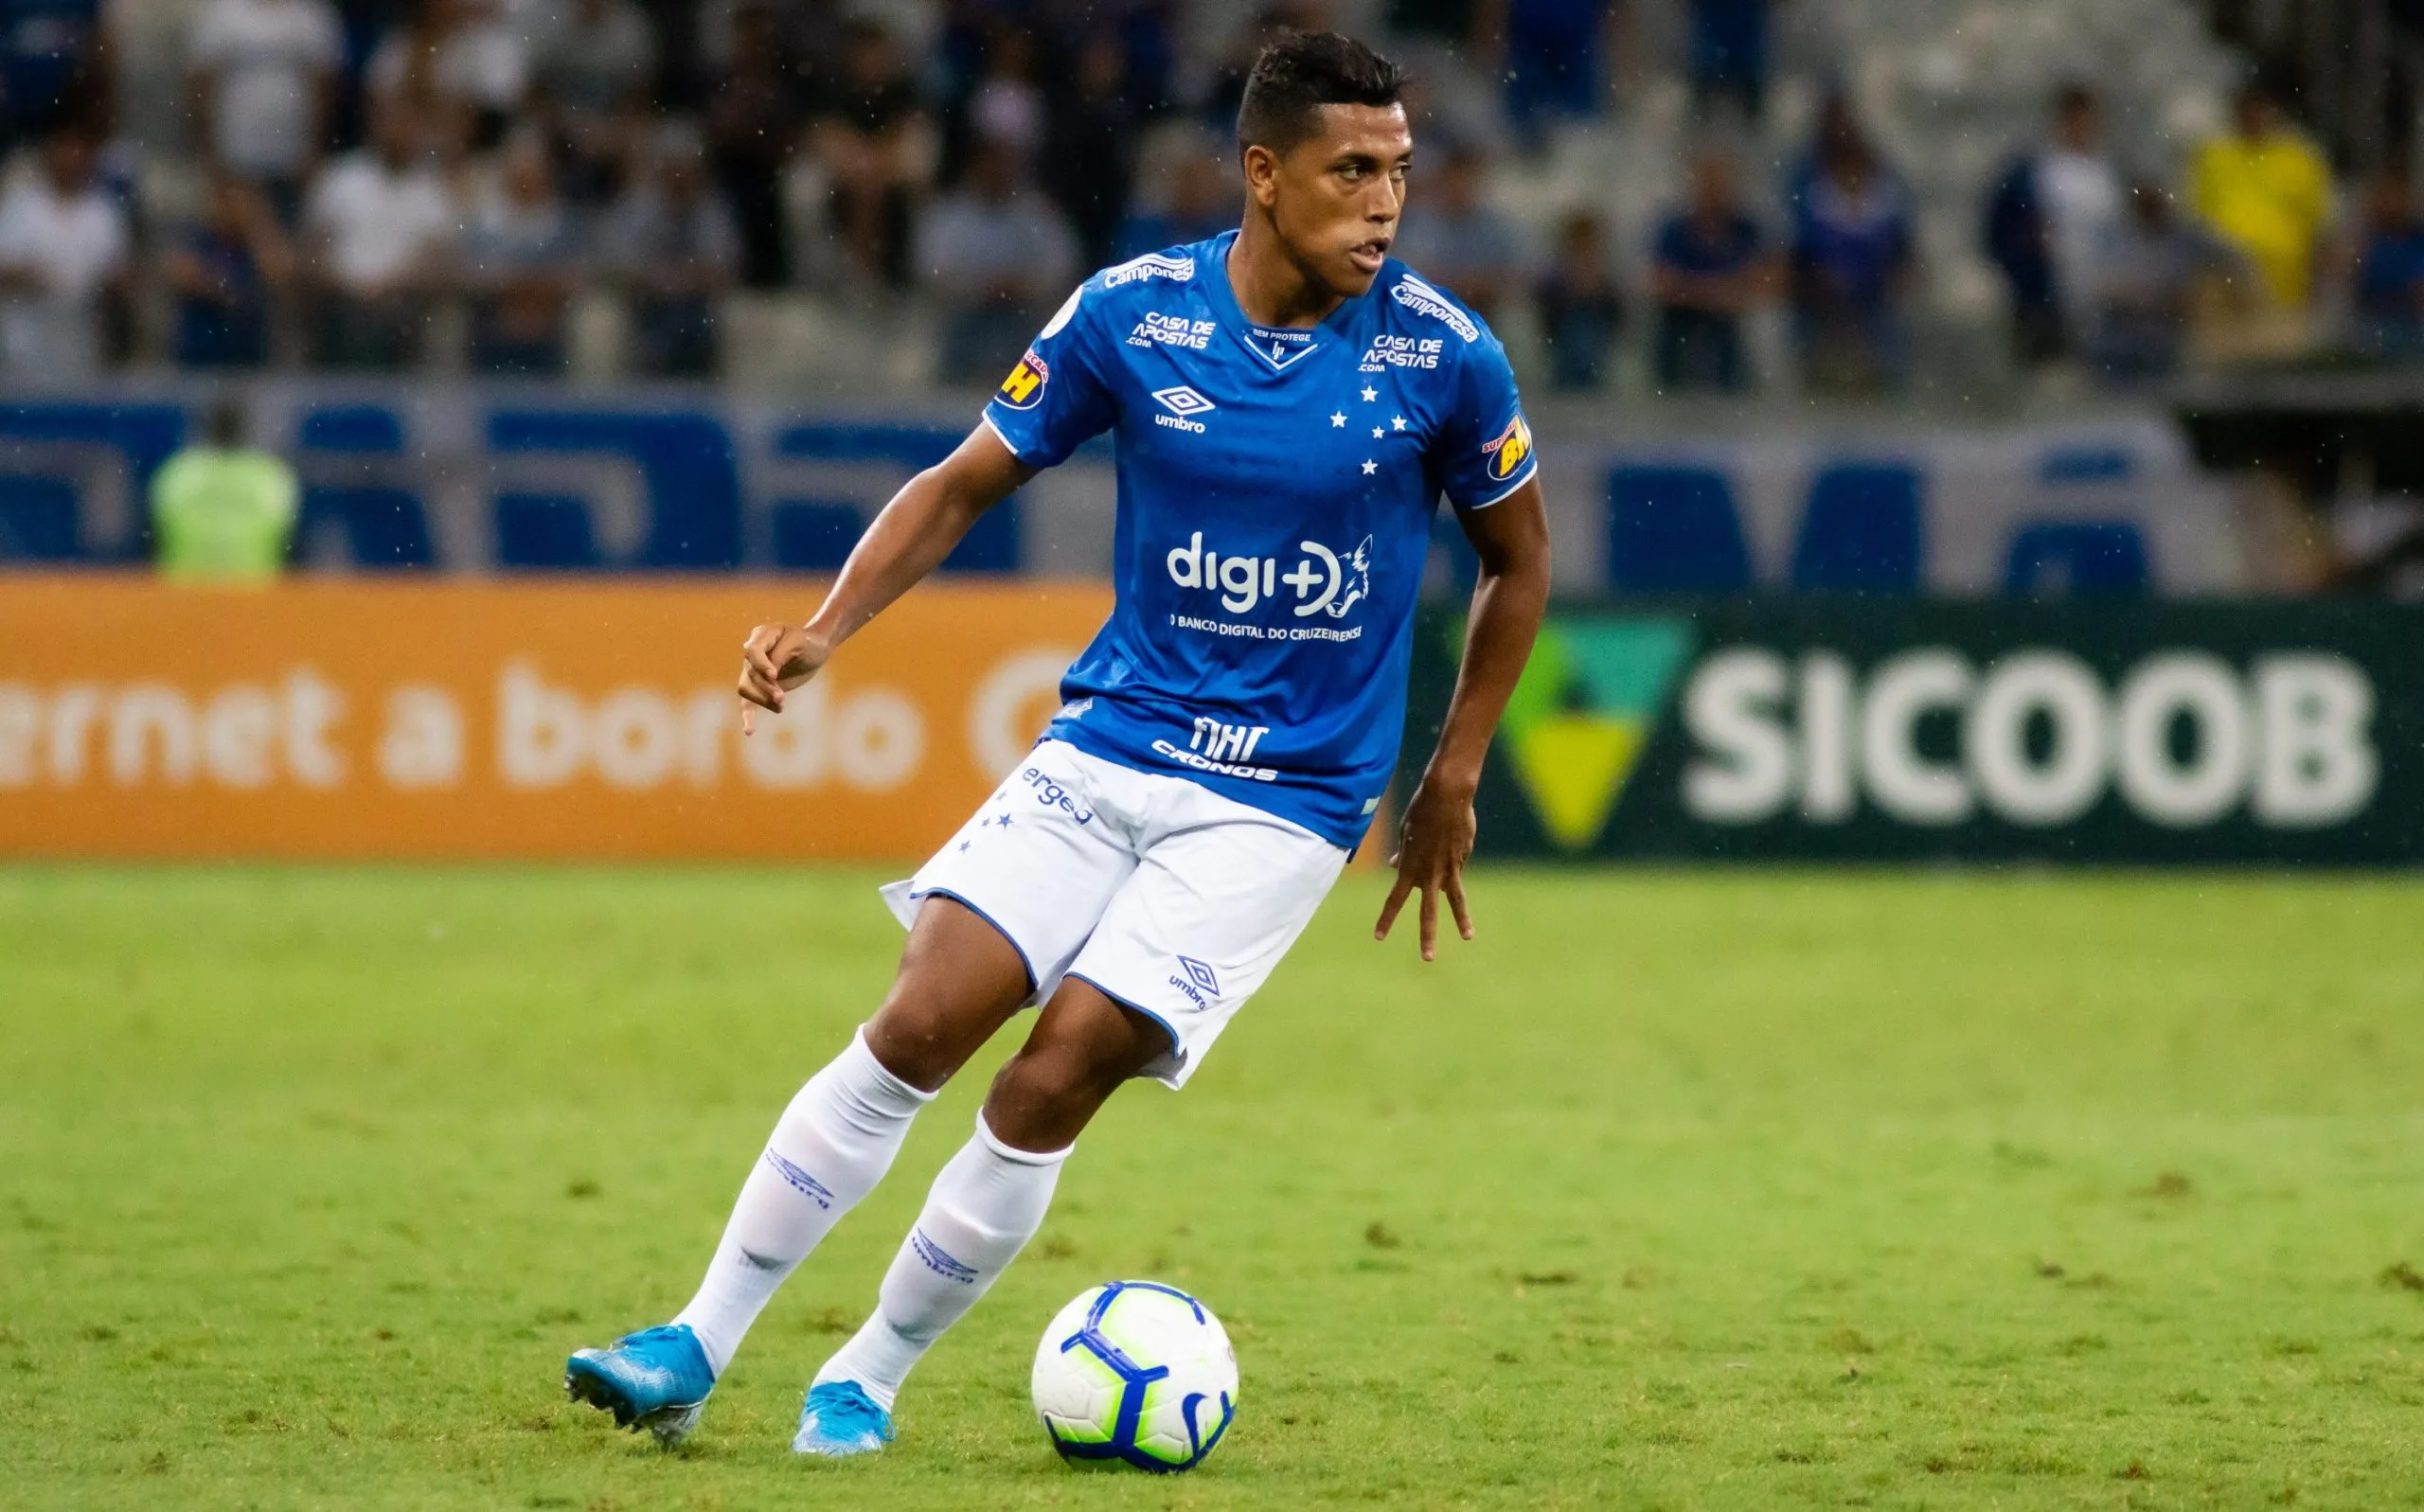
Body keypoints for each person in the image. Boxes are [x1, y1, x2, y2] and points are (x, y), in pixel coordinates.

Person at [562, 29, 1551, 1461]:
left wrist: (1453, 769)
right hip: (1109, 745)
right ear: (1263, 174)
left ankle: (867, 1374)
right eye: (1352, 171)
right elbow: (963, 482)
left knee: (1054, 1068)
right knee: (918, 1022)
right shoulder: (1133, 315)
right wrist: (830, 627)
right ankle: (693, 1343)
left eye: (1398, 170)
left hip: (1284, 801)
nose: (1386, 202)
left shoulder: (1444, 355)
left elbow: (1519, 562)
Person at [301, 104, 454, 369]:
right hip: (339, 298)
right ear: (375, 126)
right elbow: (313, 247)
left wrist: (391, 287)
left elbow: (437, 258)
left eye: (405, 127)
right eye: (391, 125)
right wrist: (347, 287)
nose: (397, 134)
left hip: (403, 302)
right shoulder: (342, 178)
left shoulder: (431, 190)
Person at [917, 135, 1079, 383]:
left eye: (1003, 165)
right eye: (989, 165)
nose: (996, 173)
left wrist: (1018, 286)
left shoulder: (1037, 213)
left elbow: (1062, 266)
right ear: (973, 168)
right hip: (963, 314)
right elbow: (931, 268)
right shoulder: (949, 215)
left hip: (1023, 313)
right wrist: (982, 286)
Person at [1984, 83, 2123, 367]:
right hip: (2045, 296)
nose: (2082, 128)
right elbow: (1999, 229)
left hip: (2100, 297)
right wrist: (2022, 270)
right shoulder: (2035, 172)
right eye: (2075, 120)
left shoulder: (2108, 174)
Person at [187, 0, 344, 223]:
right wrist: (209, 152)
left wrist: (315, 150)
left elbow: (326, 88)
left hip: (293, 159)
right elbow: (201, 83)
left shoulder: (312, 15)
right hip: (236, 157)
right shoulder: (224, 13)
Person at [602, 126, 740, 378]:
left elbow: (723, 270)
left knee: (691, 322)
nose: (679, 176)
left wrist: (672, 278)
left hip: (697, 305)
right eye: (673, 167)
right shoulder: (635, 208)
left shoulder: (712, 210)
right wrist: (670, 278)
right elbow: (620, 268)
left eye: (686, 168)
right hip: (648, 304)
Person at [1791, 123, 1914, 394]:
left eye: (1858, 170)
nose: (1852, 177)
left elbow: (1902, 251)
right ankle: (1815, 377)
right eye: (1846, 170)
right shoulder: (1817, 202)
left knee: (1890, 321)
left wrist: (1892, 278)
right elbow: (1803, 254)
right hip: (1823, 292)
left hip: (1876, 291)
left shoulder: (1886, 203)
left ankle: (1887, 380)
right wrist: (1824, 278)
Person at [2189, 80, 2332, 311]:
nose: (2253, 116)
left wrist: (2319, 285)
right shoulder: (2212, 156)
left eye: (2260, 108)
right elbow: (2195, 220)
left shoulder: (2301, 160)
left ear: (2274, 110)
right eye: (2247, 108)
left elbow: (2320, 227)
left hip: (2284, 286)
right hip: (2223, 284)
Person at [0, 125, 129, 381]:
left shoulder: (102, 212)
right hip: (27, 337)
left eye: (78, 155)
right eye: (64, 153)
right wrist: (28, 275)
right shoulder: (22, 206)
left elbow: (119, 275)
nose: (71, 162)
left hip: (82, 334)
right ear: (50, 155)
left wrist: (110, 283)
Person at [807, 17, 926, 290]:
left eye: (879, 54)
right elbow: (828, 138)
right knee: (858, 189)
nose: (872, 61)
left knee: (876, 186)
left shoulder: (905, 93)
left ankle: (889, 276)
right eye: (866, 54)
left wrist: (873, 164)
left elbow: (910, 137)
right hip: (846, 174)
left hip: (891, 174)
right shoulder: (835, 92)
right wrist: (863, 163)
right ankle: (852, 277)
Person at [2085, 180, 2237, 386]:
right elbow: (2102, 287)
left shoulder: (2186, 237)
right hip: (2120, 342)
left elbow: (2235, 260)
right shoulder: (2114, 235)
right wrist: (2147, 297)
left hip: (2166, 343)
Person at [1650, 149, 1773, 393]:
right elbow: (1659, 281)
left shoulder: (1747, 230)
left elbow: (1768, 280)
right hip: (1683, 318)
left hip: (1731, 321)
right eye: (1709, 180)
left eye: (1721, 181)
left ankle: (1739, 393)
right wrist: (1716, 293)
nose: (1715, 189)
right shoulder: (1674, 230)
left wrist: (1693, 288)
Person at [462, 133, 579, 377]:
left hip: (552, 317)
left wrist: (535, 300)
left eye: (533, 170)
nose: (526, 178)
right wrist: (512, 296)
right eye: (519, 170)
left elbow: (576, 275)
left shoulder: (567, 224)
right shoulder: (481, 225)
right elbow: (468, 275)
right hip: (493, 314)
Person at [151, 395, 299, 581]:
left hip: (187, 588)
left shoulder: (180, 472)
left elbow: (156, 539)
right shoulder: (270, 475)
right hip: (253, 588)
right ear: (246, 428)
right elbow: (289, 542)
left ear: (205, 426)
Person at [166, 165, 295, 369]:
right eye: (229, 202)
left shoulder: (256, 244)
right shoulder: (200, 238)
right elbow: (180, 274)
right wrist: (226, 288)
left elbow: (280, 274)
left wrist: (257, 229)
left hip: (250, 358)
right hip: (200, 359)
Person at [1390, 141, 1524, 322]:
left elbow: (1518, 273)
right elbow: (1410, 276)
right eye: (1456, 178)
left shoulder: (1494, 225)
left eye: (1468, 179)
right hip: (1433, 310)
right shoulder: (1423, 223)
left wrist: (1480, 286)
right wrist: (1463, 284)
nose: (1462, 186)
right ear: (1444, 181)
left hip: (1488, 309)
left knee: (1516, 317)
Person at [1534, 207, 1622, 391]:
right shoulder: (1555, 280)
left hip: (1595, 346)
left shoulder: (1607, 283)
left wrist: (1595, 290)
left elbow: (1618, 319)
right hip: (1565, 345)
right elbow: (1547, 317)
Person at [2352, 169, 2424, 359]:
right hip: (2370, 324)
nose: (2390, 204)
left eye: (2396, 197)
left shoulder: (2417, 240)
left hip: (2407, 326)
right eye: (2384, 198)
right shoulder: (2366, 241)